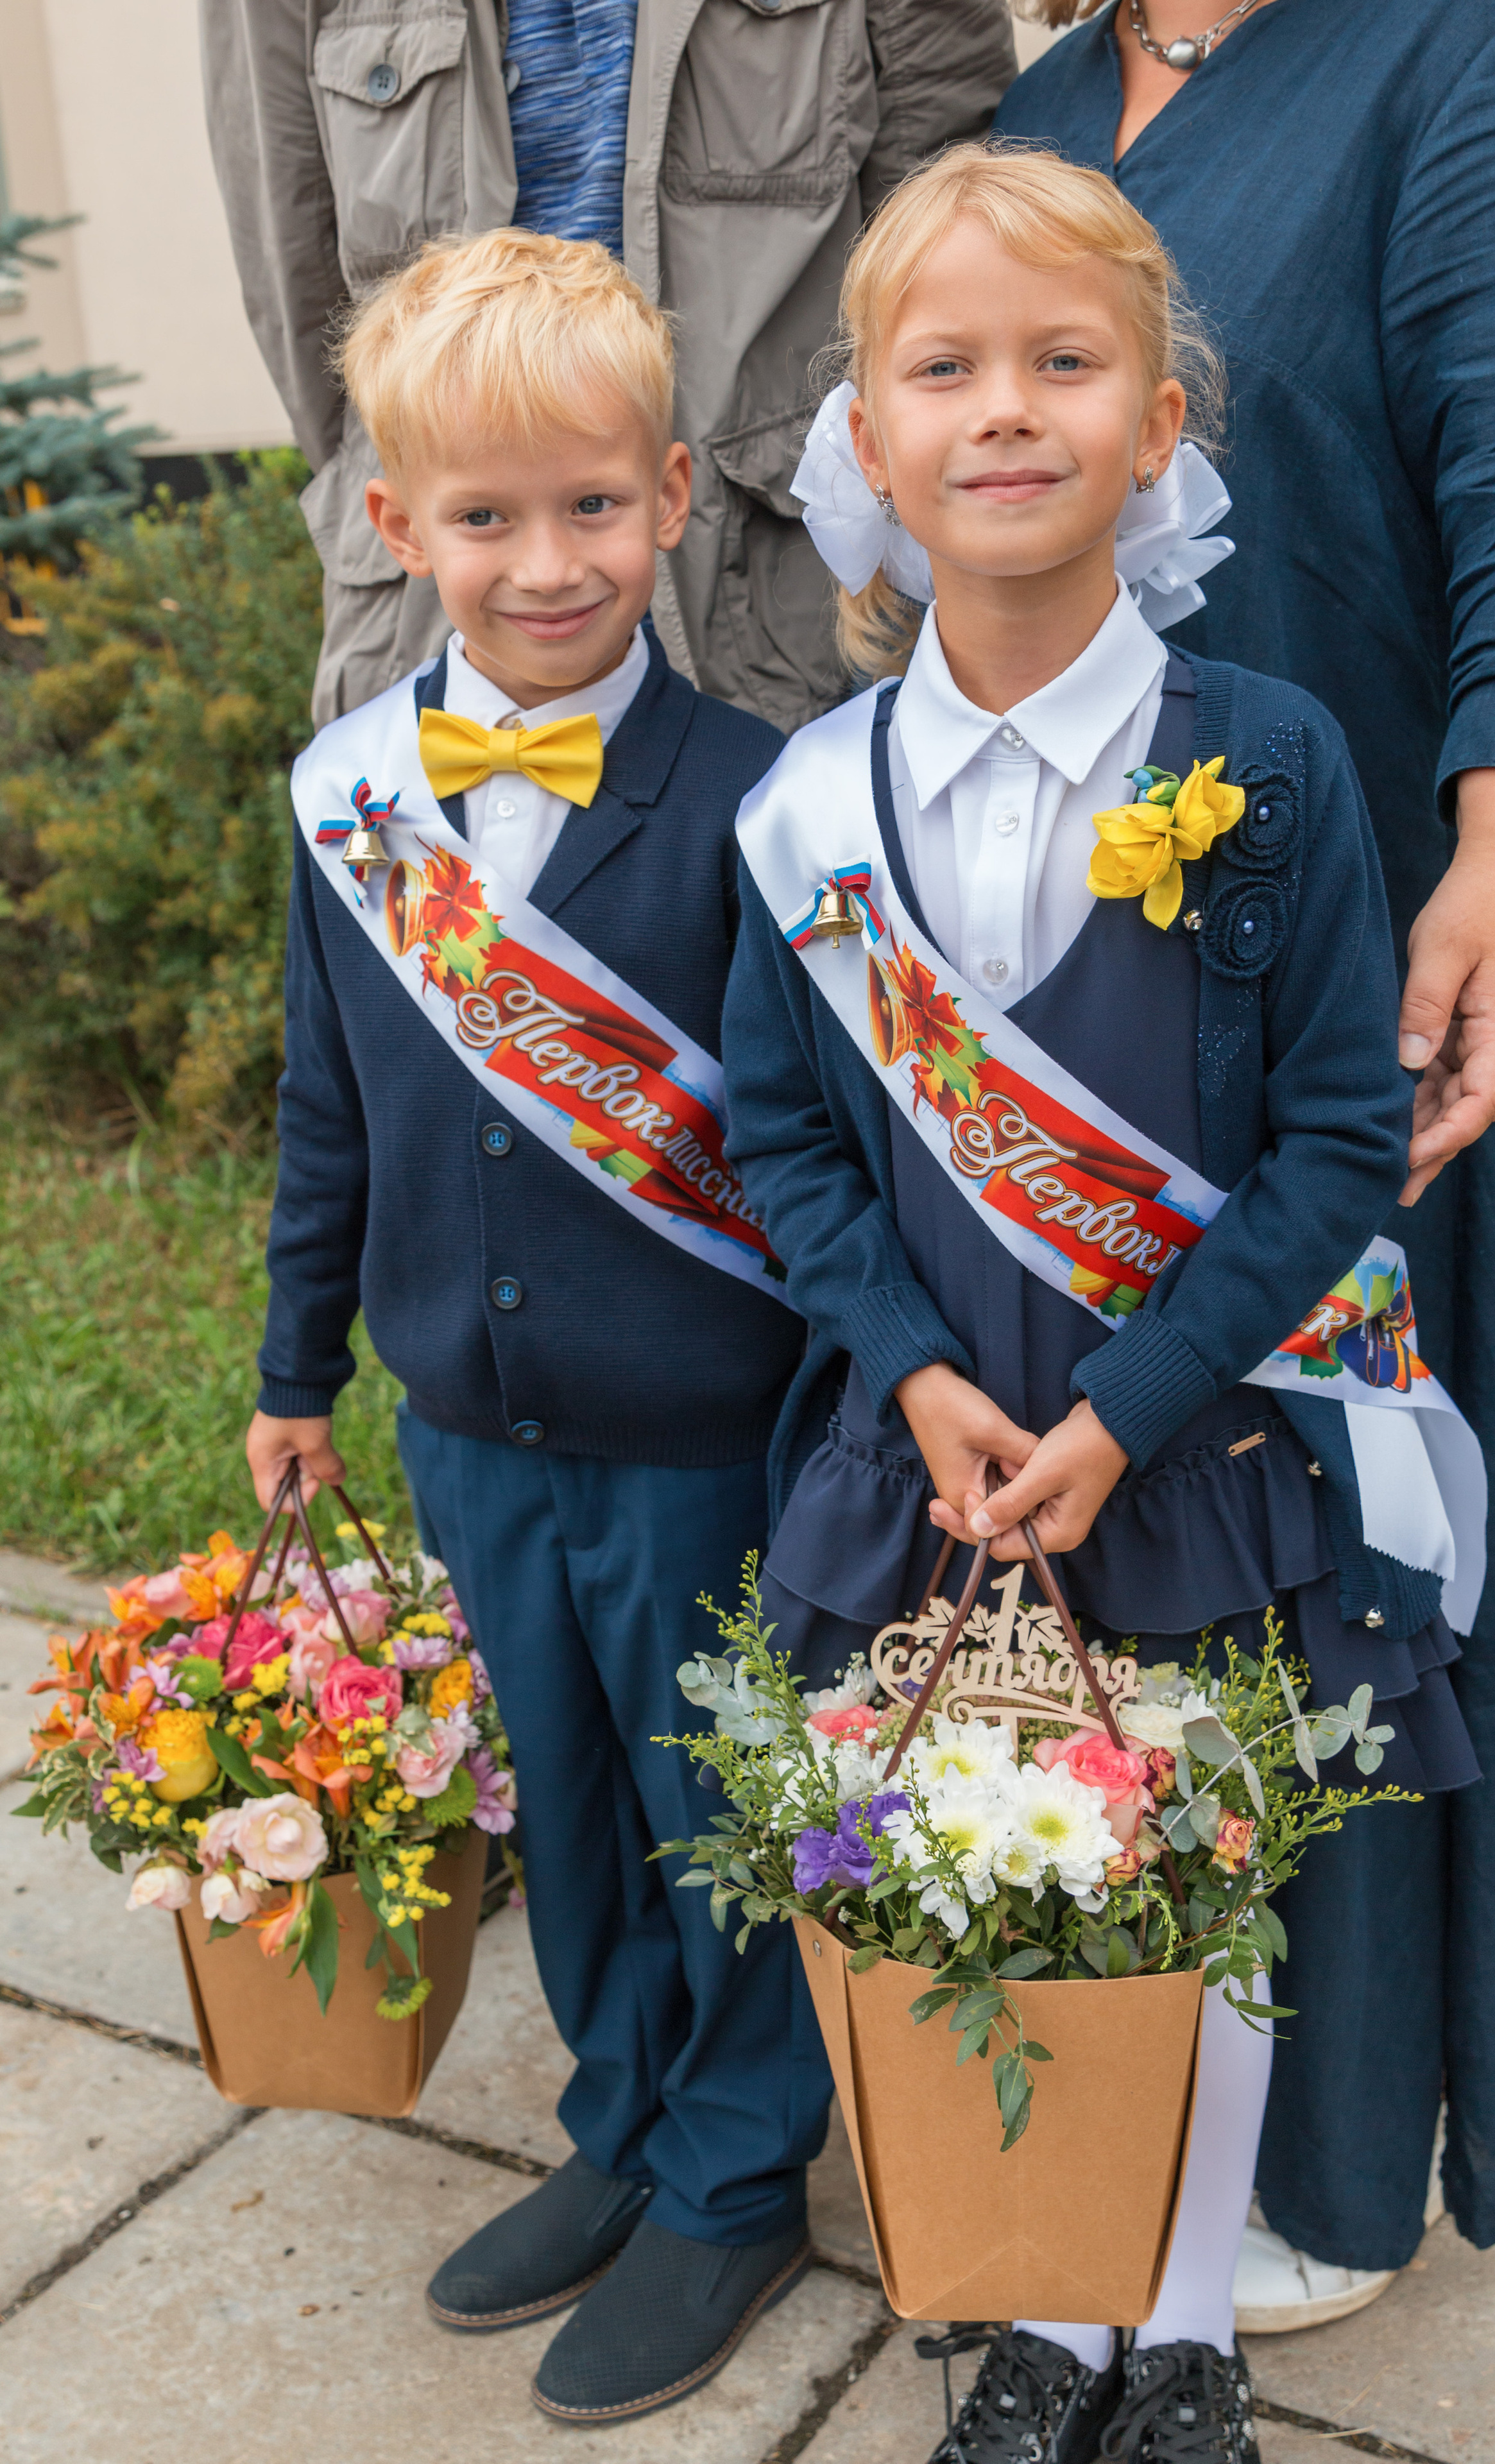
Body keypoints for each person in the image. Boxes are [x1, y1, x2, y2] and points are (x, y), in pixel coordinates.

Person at [722, 144, 1485, 2464]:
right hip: (936, 1463)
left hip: (1189, 1463)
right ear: (863, 439)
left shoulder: (1269, 761)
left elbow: (1339, 1144)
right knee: (989, 1873)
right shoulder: (806, 808)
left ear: (1160, 421)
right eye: (940, 367)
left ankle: (1176, 2334)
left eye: (1064, 363)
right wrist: (918, 1371)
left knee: (1185, 1890)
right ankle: (1037, 2309)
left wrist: (1128, 1402)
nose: (1002, 411)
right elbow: (782, 1140)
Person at [992, 0, 1495, 2332]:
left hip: (1372, 976)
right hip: (1062, 998)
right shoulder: (1045, 104)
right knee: (1139, 1531)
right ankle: (1122, 2065)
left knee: (1346, 1546)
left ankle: (1335, 2147)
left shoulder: (1488, 49)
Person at [243, 228, 835, 2426]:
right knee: (566, 1808)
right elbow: (333, 1110)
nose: (548, 560)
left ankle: (738, 2173)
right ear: (399, 528)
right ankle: (622, 2124)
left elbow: (814, 1145)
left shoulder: (773, 794)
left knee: (717, 1804)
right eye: (485, 517)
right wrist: (301, 1364)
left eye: (593, 505)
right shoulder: (347, 802)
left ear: (676, 494)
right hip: (466, 1422)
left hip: (704, 1430)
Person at [200, 0, 1018, 735]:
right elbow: (304, 293)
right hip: (439, 632)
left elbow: (944, 262)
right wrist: (457, 508)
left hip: (777, 626)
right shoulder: (349, 781)